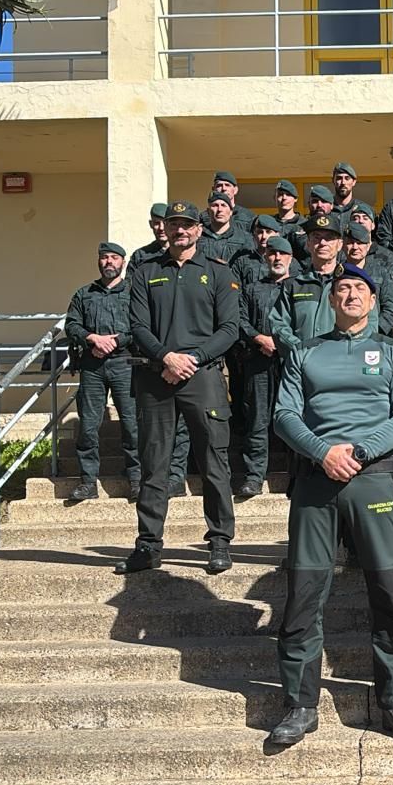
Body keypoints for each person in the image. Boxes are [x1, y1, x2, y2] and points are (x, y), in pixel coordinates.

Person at [269, 263, 393, 746]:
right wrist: (322, 451)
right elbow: (283, 415)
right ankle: (299, 705)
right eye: (342, 289)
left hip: (373, 480)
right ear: (330, 301)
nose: (351, 295)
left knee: (390, 594)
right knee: (303, 595)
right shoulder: (305, 353)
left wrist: (357, 451)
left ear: (373, 300)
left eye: (359, 288)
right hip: (316, 484)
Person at [121, 201, 240, 576]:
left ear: (198, 230)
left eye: (187, 225)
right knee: (154, 465)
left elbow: (230, 329)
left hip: (203, 377)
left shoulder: (218, 273)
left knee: (213, 462)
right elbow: (138, 326)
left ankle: (219, 541)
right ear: (164, 229)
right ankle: (148, 545)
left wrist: (192, 359)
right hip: (157, 377)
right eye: (174, 225)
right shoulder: (145, 272)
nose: (180, 231)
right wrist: (167, 358)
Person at [64, 243, 139, 502]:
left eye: (114, 257)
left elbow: (140, 326)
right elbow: (72, 325)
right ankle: (88, 482)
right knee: (88, 425)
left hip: (124, 364)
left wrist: (115, 342)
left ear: (123, 262)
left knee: (132, 424)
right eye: (104, 257)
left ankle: (136, 479)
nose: (108, 261)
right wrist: (92, 338)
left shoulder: (133, 292)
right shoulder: (84, 294)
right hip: (92, 366)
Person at [130, 204, 191, 494]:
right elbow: (138, 313)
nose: (161, 228)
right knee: (155, 430)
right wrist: (163, 356)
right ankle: (155, 479)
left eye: (162, 222)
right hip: (154, 358)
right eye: (157, 223)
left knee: (183, 427)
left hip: (188, 359)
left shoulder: (195, 262)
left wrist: (181, 358)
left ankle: (177, 475)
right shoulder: (143, 260)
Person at [230, 236, 296, 498]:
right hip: (258, 361)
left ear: (291, 258)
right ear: (265, 258)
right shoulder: (252, 289)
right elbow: (240, 319)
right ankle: (255, 476)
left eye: (282, 254)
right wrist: (259, 338)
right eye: (272, 254)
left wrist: (283, 344)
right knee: (257, 418)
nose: (277, 258)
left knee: (294, 417)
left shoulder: (299, 287)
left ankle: (296, 475)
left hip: (290, 362)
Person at [268, 213, 346, 350]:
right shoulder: (293, 285)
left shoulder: (350, 283)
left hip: (340, 363)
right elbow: (278, 324)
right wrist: (300, 350)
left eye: (329, 238)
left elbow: (365, 324)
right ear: (308, 243)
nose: (322, 243)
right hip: (301, 364)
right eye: (316, 237)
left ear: (339, 245)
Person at [343, 221, 393, 333]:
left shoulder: (381, 272)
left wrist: (376, 331)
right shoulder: (338, 273)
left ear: (368, 246)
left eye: (360, 243)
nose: (355, 247)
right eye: (350, 242)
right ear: (343, 245)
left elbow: (390, 306)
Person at [197, 191, 254, 264]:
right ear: (208, 211)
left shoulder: (245, 239)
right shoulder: (198, 237)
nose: (219, 210)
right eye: (215, 205)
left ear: (231, 212)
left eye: (223, 205)